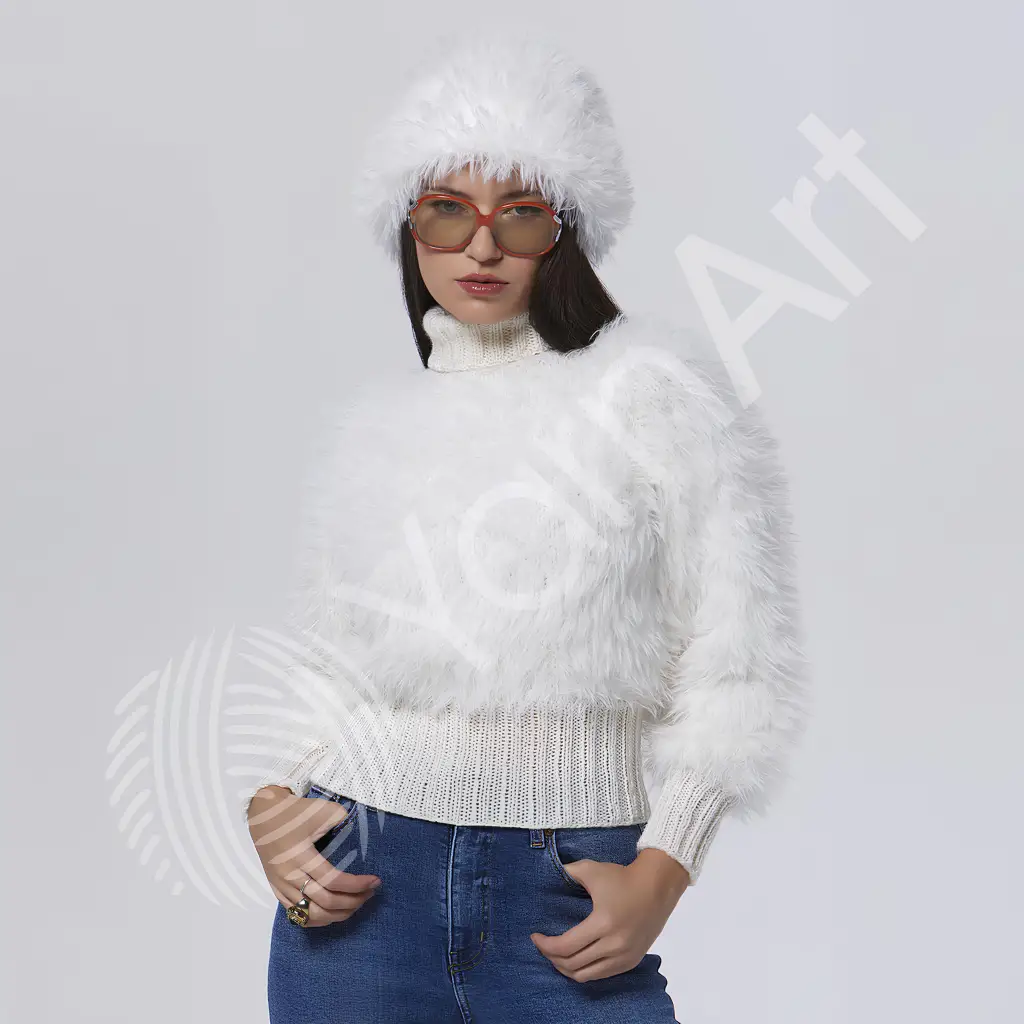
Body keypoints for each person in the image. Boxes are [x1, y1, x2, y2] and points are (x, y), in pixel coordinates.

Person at [243, 30, 810, 1024]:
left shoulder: (654, 392)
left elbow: (740, 664)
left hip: (566, 896)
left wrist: (666, 867)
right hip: (358, 897)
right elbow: (328, 669)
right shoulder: (376, 429)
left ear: (566, 228)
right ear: (408, 228)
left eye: (521, 214)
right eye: (446, 210)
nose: (481, 246)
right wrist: (271, 806)